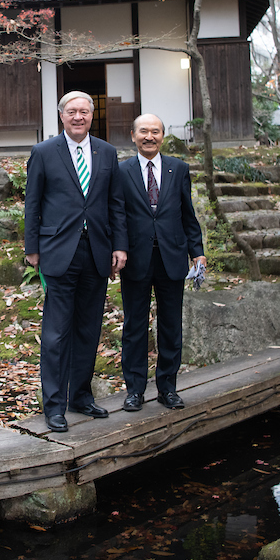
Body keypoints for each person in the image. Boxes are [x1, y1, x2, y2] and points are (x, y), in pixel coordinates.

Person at [24, 91, 127, 432]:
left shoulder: (107, 152)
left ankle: (81, 396)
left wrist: (119, 246)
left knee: (88, 329)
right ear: (62, 116)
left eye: (84, 111)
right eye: (72, 111)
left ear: (91, 115)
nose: (78, 116)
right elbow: (33, 204)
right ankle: (54, 405)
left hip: (97, 250)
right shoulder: (43, 152)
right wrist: (32, 247)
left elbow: (116, 204)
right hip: (58, 250)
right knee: (56, 333)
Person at [118, 114, 205, 412]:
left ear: (162, 136)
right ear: (133, 135)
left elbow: (188, 214)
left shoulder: (178, 168)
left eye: (155, 131)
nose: (149, 136)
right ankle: (134, 390)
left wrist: (198, 252)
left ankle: (167, 388)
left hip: (172, 257)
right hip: (135, 258)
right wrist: (117, 250)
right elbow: (116, 216)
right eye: (144, 131)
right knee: (134, 326)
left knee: (171, 326)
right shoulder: (122, 171)